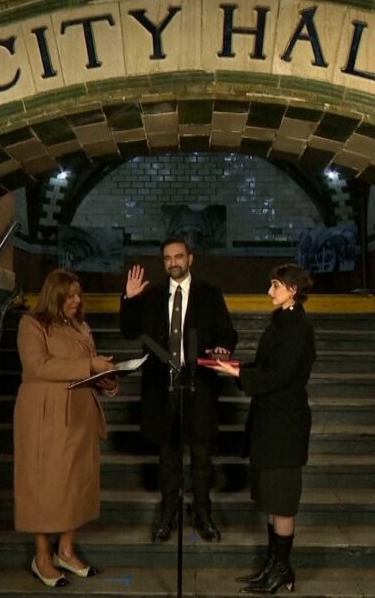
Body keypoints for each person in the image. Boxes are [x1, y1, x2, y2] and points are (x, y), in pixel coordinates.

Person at [120, 237, 238, 542]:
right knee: (168, 459)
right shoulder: (153, 294)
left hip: (198, 387)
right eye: (167, 258)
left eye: (178, 256)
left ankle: (203, 516)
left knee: (201, 459)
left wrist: (223, 347)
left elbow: (227, 331)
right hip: (162, 389)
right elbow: (129, 332)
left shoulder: (210, 294)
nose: (173, 262)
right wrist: (130, 298)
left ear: (190, 259)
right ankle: (167, 516)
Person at [209, 263, 316, 595]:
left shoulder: (297, 328)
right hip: (271, 424)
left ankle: (282, 569)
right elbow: (268, 367)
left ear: (292, 290)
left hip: (285, 426)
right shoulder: (282, 323)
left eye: (275, 285)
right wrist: (235, 366)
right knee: (272, 498)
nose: (270, 291)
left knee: (282, 501)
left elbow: (279, 375)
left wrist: (239, 375)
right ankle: (273, 566)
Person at [15, 269, 119, 588]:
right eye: (70, 295)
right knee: (46, 485)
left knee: (76, 483)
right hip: (44, 417)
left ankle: (67, 550)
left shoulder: (81, 327)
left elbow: (88, 370)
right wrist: (90, 365)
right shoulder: (31, 324)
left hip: (80, 416)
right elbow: (39, 366)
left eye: (78, 295)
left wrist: (108, 381)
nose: (76, 301)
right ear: (55, 295)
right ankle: (42, 556)